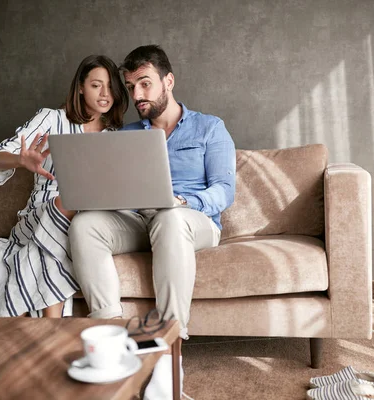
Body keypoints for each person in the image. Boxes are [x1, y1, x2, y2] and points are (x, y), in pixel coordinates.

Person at [68, 45, 236, 399]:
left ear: (168, 81)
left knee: (170, 219)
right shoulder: (126, 135)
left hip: (193, 221)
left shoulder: (209, 127)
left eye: (145, 84)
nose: (137, 95)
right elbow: (107, 188)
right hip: (139, 220)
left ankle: (167, 350)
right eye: (131, 88)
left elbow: (224, 191)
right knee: (86, 225)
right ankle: (110, 334)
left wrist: (182, 201)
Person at [0, 55, 129, 318]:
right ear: (81, 88)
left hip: (88, 214)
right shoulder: (51, 119)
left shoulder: (115, 136)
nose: (105, 93)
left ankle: (42, 327)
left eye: (111, 86)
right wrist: (20, 159)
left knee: (82, 221)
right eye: (97, 85)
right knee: (67, 207)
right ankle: (51, 323)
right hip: (41, 213)